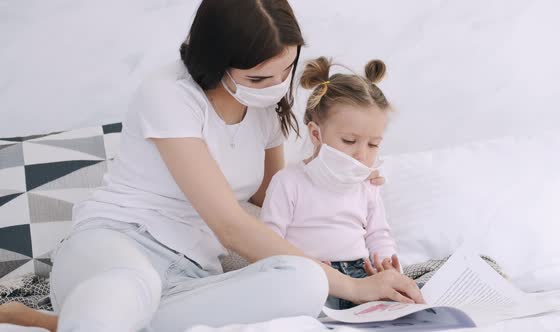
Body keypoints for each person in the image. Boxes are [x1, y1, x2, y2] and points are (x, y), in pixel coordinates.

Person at [0, 1, 423, 331]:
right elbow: (231, 227)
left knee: (305, 282)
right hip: (119, 245)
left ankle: (70, 325)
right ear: (215, 61)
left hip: (192, 276)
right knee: (133, 287)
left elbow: (269, 192)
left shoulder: (266, 105)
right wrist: (354, 287)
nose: (277, 88)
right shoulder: (168, 94)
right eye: (259, 79)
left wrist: (339, 177)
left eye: (286, 71)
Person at [261, 57, 411, 310]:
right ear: (316, 133)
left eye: (373, 144)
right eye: (349, 141)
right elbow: (268, 240)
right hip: (309, 275)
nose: (362, 154)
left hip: (362, 273)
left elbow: (378, 234)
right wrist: (300, 267)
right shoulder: (289, 181)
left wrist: (386, 264)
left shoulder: (367, 185)